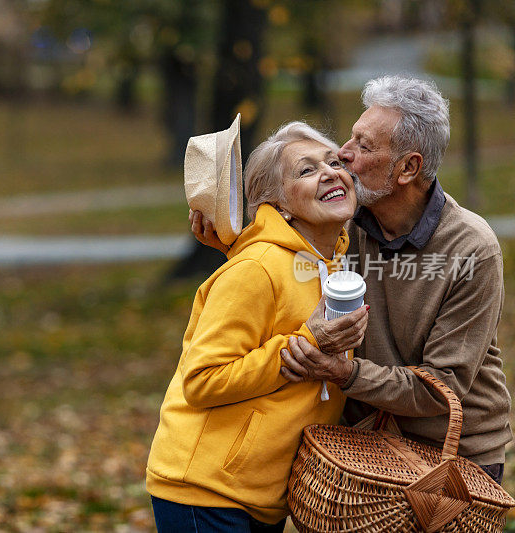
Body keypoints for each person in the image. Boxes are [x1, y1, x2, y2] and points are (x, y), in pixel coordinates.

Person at [191, 76, 511, 484]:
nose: (344, 153)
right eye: (352, 137)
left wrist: (341, 372)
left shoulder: (471, 248)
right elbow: (286, 272)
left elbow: (440, 387)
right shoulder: (342, 222)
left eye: (364, 146)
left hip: (453, 455)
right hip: (358, 446)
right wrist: (235, 251)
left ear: (408, 168)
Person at [147, 122, 369, 532]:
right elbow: (201, 380)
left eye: (335, 162)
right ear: (277, 203)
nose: (330, 172)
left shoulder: (329, 268)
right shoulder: (254, 269)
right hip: (206, 489)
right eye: (305, 170)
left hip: (263, 495)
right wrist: (305, 344)